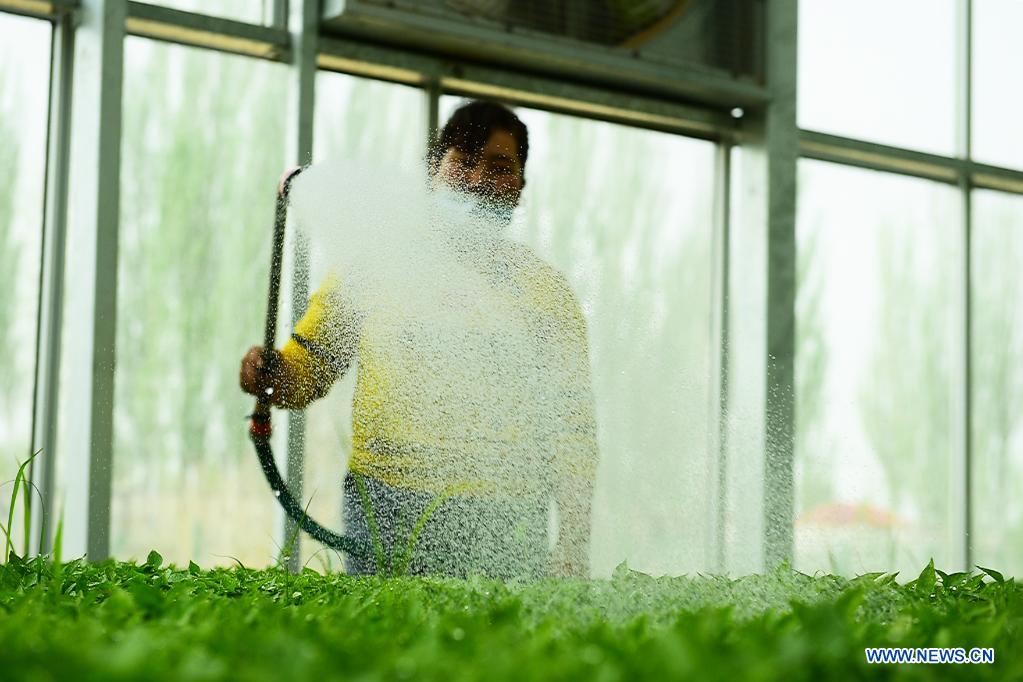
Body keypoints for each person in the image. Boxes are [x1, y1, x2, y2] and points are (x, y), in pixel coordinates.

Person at [240, 100, 598, 579]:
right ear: (434, 172)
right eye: (463, 162)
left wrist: (574, 541)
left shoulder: (546, 294)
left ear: (521, 186)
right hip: (389, 503)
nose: (477, 180)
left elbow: (572, 429)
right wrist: (271, 376)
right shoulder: (375, 265)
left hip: (508, 514)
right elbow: (308, 371)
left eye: (499, 166)